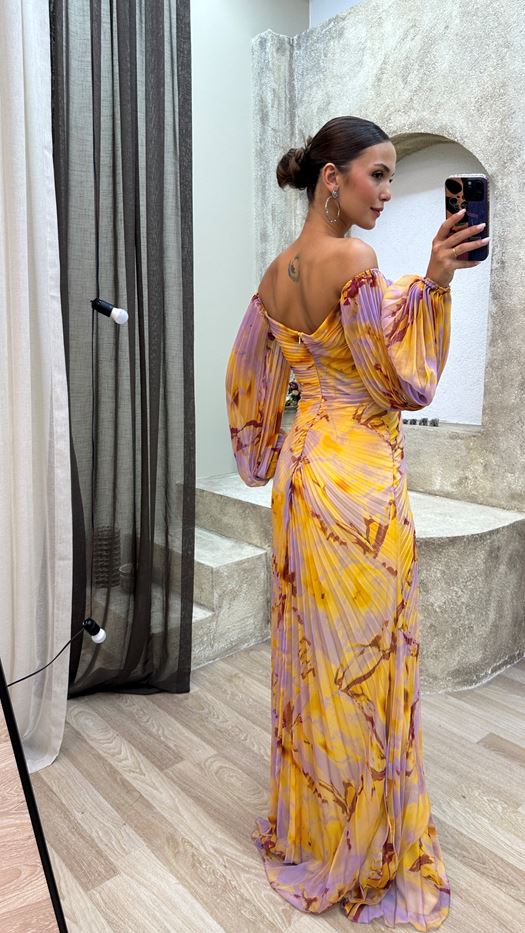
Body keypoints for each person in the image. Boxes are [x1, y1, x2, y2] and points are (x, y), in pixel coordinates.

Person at [224, 116, 488, 929]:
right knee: (367, 664)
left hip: (302, 480)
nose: (385, 191)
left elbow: (252, 388)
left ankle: (318, 828)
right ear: (330, 179)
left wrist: (423, 280)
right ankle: (366, 845)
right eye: (377, 174)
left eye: (391, 175)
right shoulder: (356, 261)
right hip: (357, 485)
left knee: (317, 660)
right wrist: (434, 287)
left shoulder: (274, 275)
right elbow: (394, 382)